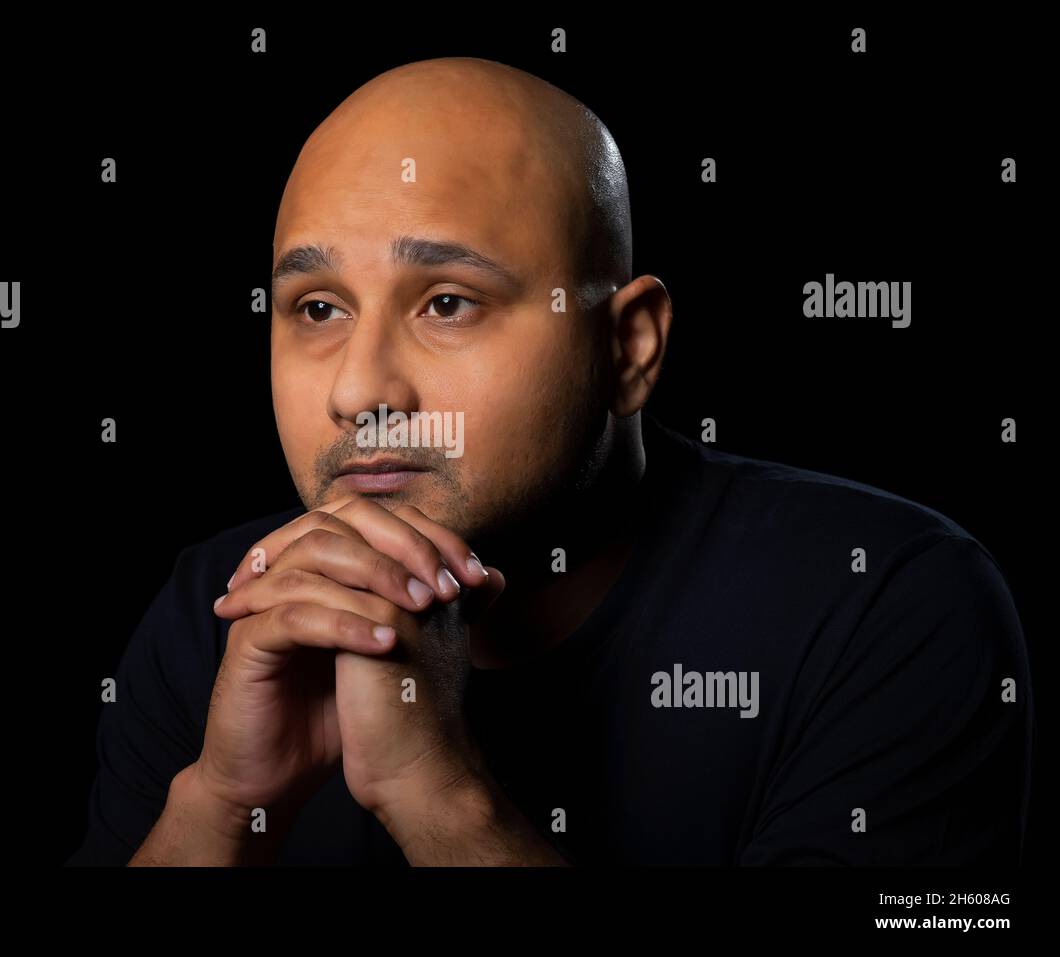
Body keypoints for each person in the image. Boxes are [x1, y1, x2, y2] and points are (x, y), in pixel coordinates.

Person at [66, 57, 1031, 866]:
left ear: (629, 348)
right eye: (318, 309)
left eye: (447, 301)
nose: (359, 393)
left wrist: (438, 797)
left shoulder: (886, 603)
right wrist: (219, 804)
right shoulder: (223, 606)